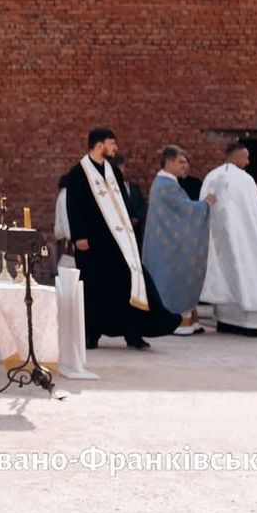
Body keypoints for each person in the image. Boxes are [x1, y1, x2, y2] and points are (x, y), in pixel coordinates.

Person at [61, 128, 180, 349]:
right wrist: (79, 236)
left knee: (127, 284)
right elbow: (74, 206)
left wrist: (130, 230)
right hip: (92, 243)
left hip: (117, 243)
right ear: (99, 145)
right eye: (111, 143)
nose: (115, 147)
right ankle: (91, 335)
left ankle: (133, 333)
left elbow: (123, 202)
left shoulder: (113, 171)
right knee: (93, 289)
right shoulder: (78, 173)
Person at [199, 143, 257, 337]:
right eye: (246, 158)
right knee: (248, 277)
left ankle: (225, 320)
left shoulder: (211, 177)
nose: (248, 162)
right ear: (237, 157)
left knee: (225, 277)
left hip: (219, 240)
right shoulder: (244, 179)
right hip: (246, 240)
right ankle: (246, 323)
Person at [140, 144, 213, 336]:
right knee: (172, 281)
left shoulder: (166, 183)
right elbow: (186, 210)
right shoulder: (166, 186)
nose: (185, 166)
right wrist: (206, 204)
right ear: (169, 162)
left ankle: (187, 319)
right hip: (169, 248)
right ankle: (178, 322)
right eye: (181, 162)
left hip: (165, 244)